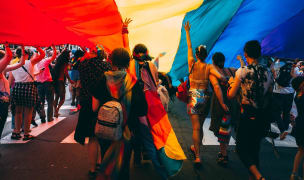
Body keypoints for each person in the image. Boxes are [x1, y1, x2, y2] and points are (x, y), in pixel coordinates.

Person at [92, 47, 147, 180]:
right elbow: (141, 111)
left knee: (106, 158)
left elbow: (94, 107)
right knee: (123, 166)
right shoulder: (133, 82)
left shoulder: (103, 78)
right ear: (128, 62)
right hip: (126, 131)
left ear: (112, 62)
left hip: (105, 129)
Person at [227, 40, 273, 180]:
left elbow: (231, 95)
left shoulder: (242, 71)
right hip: (261, 115)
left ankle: (259, 177)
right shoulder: (268, 71)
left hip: (247, 114)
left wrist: (231, 85)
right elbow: (270, 92)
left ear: (245, 53)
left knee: (240, 149)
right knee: (254, 149)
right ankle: (254, 177)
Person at [184, 21, 226, 164]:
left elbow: (189, 46)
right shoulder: (209, 67)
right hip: (206, 97)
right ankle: (195, 148)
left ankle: (197, 156)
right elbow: (221, 77)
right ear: (206, 55)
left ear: (196, 54)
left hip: (194, 95)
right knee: (199, 127)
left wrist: (187, 32)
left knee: (195, 128)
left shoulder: (192, 63)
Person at [74, 47, 111, 179]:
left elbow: (78, 64)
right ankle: (101, 162)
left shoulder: (83, 65)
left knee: (92, 137)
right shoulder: (106, 65)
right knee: (102, 134)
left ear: (91, 53)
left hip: (87, 103)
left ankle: (92, 168)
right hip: (102, 103)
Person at [10, 46, 45, 140]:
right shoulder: (30, 62)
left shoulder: (14, 65)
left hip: (17, 87)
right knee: (28, 112)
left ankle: (16, 132)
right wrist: (37, 45)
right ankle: (26, 133)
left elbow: (11, 80)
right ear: (26, 54)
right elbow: (43, 55)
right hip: (28, 87)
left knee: (17, 112)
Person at [209, 52, 237, 166]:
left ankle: (224, 155)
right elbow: (242, 72)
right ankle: (222, 151)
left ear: (214, 62)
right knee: (227, 128)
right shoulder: (231, 70)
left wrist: (222, 103)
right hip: (232, 102)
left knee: (220, 130)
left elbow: (216, 88)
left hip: (219, 104)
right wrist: (241, 61)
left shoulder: (213, 74)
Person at [271, 58, 295, 140]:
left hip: (278, 92)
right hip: (290, 92)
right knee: (286, 112)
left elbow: (271, 70)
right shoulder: (293, 66)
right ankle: (284, 130)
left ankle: (282, 130)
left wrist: (274, 61)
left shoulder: (277, 64)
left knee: (276, 112)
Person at [35, 45, 57, 123]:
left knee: (41, 102)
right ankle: (49, 118)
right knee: (50, 101)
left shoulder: (34, 62)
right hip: (48, 83)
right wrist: (54, 48)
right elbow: (54, 56)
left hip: (39, 84)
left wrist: (42, 49)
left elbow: (38, 53)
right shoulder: (45, 60)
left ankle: (43, 118)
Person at [52, 49, 74, 118]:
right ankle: (57, 110)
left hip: (55, 81)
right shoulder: (65, 63)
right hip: (60, 81)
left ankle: (55, 111)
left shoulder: (58, 60)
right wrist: (70, 80)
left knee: (57, 97)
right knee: (62, 98)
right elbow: (65, 72)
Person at [290, 76, 304, 180]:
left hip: (299, 124)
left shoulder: (297, 96)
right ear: (300, 85)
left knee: (300, 151)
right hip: (302, 125)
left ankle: (294, 174)